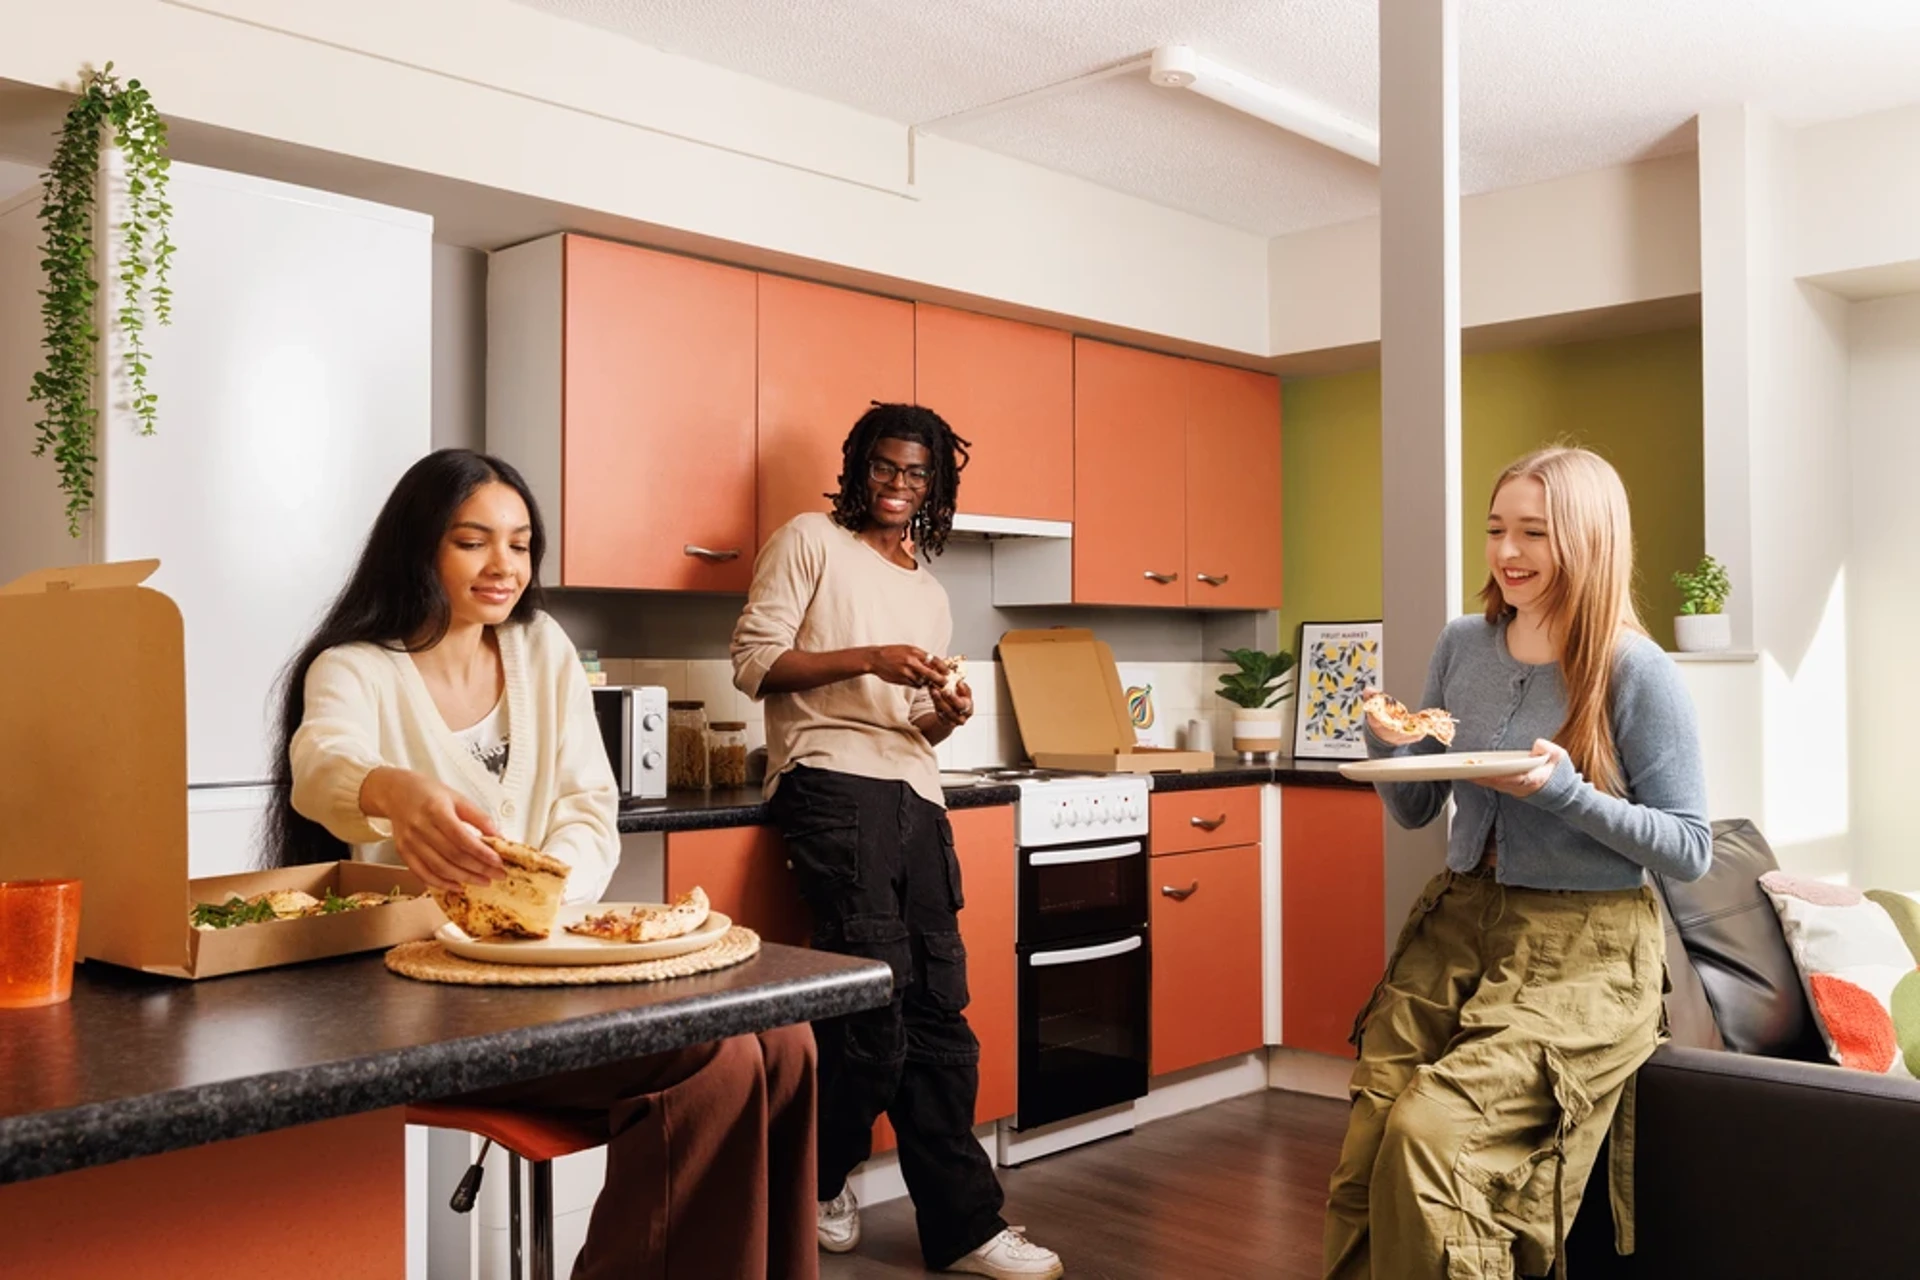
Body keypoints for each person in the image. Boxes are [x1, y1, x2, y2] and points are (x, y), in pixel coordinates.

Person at [269, 447, 818, 1280]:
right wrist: (393, 790)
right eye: (472, 542)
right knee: (718, 1058)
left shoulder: (541, 648)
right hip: (424, 999)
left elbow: (589, 807)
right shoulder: (356, 668)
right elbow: (320, 765)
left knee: (787, 1038)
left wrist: (535, 903)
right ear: (418, 547)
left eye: (521, 544)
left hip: (549, 974)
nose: (504, 565)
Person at [1323, 446, 1712, 1280]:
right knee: (1370, 1142)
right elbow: (1417, 808)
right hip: (1455, 920)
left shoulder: (1634, 668)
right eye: (1497, 528)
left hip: (1584, 945)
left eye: (1534, 532)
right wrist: (1385, 741)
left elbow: (1689, 848)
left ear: (1588, 538)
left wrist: (1566, 794)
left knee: (1434, 1141)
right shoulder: (1464, 643)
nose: (1507, 552)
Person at [731, 404, 1063, 1280]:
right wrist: (867, 656)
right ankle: (817, 1181)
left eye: (917, 474)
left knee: (938, 1011)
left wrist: (947, 713)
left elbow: (916, 723)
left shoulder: (929, 591)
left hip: (916, 794)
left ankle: (965, 1228)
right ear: (859, 467)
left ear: (935, 486)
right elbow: (754, 663)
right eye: (885, 466)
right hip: (829, 782)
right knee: (871, 1009)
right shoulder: (808, 541)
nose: (898, 485)